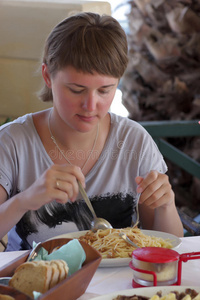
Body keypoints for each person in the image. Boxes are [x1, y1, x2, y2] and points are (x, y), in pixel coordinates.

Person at [0, 12, 183, 251]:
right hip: (35, 285)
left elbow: (165, 244)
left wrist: (166, 205)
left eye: (105, 90)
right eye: (76, 90)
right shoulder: (11, 142)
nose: (90, 105)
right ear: (47, 76)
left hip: (122, 286)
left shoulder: (134, 141)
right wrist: (24, 200)